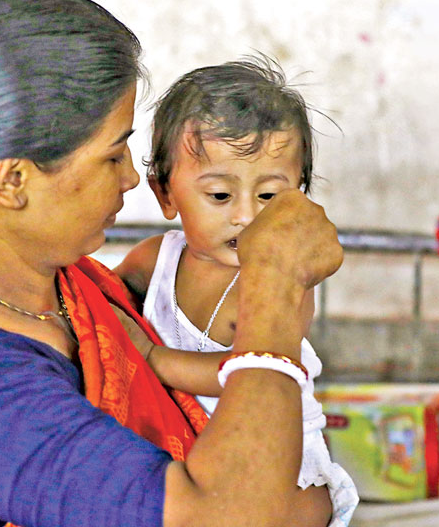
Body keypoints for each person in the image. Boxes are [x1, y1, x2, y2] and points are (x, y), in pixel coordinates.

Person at [0, 0, 343, 527]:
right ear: (14, 182)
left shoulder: (60, 285)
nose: (131, 177)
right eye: (112, 154)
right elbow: (223, 518)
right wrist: (274, 282)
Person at [114, 58, 358, 527]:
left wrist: (153, 359)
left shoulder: (279, 280)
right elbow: (103, 302)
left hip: (277, 459)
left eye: (269, 196)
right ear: (166, 195)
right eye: (220, 197)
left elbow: (248, 369)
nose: (246, 216)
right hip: (183, 451)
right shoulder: (155, 260)